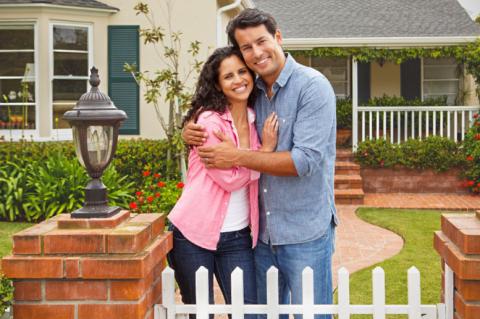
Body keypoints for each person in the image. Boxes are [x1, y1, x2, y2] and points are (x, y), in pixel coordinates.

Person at [182, 8, 338, 319]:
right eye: (246, 47)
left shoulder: (312, 87)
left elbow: (304, 161)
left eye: (261, 41)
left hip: (304, 231)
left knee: (313, 315)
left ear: (278, 38)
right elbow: (216, 112)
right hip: (261, 236)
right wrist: (187, 130)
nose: (256, 53)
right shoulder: (253, 93)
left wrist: (237, 157)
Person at [167, 46, 279, 317]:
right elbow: (228, 180)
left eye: (242, 72)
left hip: (238, 236)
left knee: (249, 313)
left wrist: (240, 158)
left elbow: (239, 170)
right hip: (193, 233)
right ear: (217, 84)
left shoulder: (256, 120)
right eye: (228, 76)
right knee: (201, 312)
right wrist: (262, 155)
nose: (238, 80)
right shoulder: (208, 122)